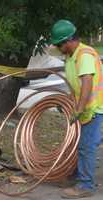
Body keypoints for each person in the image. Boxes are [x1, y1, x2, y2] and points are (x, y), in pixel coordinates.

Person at [50, 19, 103, 199]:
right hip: (85, 108)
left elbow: (87, 82)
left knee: (87, 146)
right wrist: (66, 102)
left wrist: (79, 109)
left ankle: (86, 185)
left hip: (95, 109)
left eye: (59, 44)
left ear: (68, 41)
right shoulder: (70, 57)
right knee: (78, 144)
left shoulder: (84, 55)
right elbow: (75, 85)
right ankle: (76, 176)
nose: (57, 48)